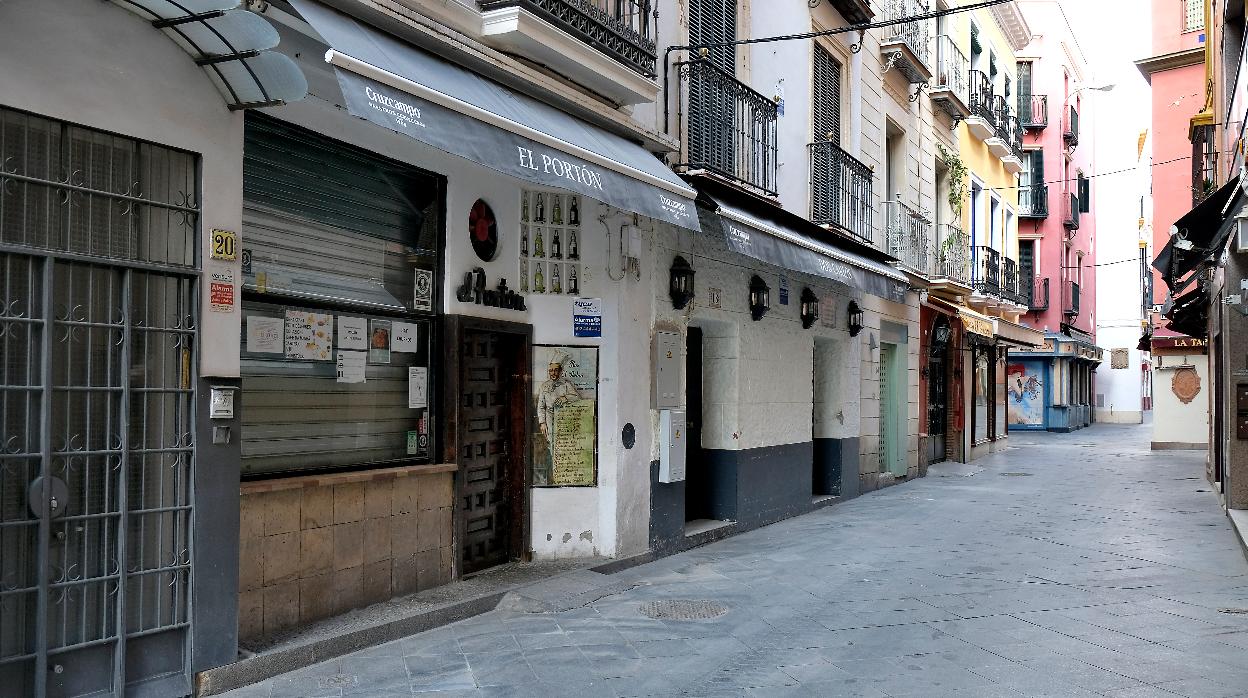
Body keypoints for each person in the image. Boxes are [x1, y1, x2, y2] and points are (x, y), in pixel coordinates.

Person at [536, 352, 582, 481]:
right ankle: (554, 474)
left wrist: (565, 397)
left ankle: (565, 474)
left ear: (560, 371)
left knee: (565, 445)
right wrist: (542, 423)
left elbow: (577, 397)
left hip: (565, 418)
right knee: (552, 444)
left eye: (556, 370)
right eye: (551, 370)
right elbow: (541, 407)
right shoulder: (544, 386)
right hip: (550, 418)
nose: (553, 373)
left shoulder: (566, 384)